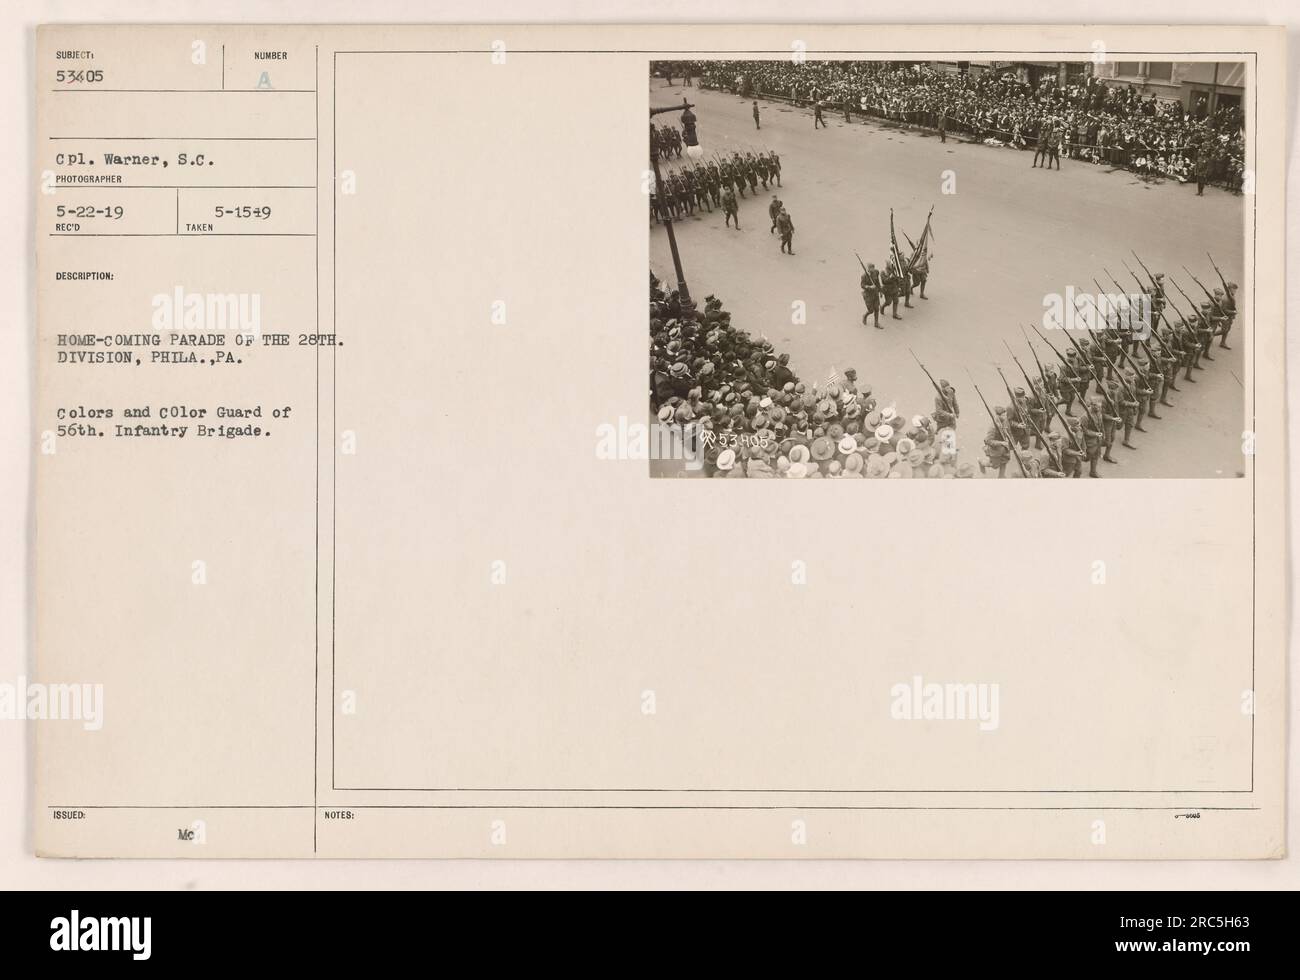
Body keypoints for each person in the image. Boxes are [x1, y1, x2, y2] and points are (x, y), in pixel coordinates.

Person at [860, 264, 883, 329]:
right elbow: (862, 285)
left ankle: (876, 323)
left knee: (877, 308)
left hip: (875, 293)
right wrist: (869, 287)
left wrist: (880, 291)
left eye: (873, 268)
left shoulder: (876, 272)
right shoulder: (864, 276)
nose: (873, 269)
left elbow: (877, 282)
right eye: (871, 268)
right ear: (868, 269)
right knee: (871, 310)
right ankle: (865, 315)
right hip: (868, 295)